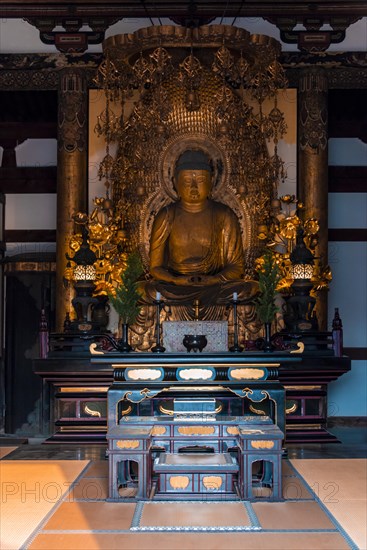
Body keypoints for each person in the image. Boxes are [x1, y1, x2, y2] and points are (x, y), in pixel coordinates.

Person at [142, 148, 258, 305]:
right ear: (175, 182)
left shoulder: (224, 215)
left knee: (250, 288)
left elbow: (236, 267)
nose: (194, 187)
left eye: (201, 181)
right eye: (188, 181)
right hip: (176, 286)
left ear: (212, 181)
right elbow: (155, 268)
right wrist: (177, 280)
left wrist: (212, 280)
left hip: (216, 286)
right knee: (144, 290)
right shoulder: (167, 215)